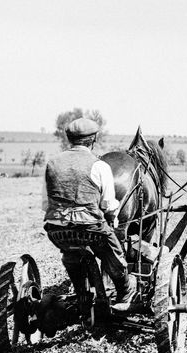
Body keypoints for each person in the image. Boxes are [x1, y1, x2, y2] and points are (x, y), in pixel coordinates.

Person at [42, 117, 136, 304]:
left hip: (56, 230)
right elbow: (108, 205)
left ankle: (82, 294)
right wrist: (112, 219)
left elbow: (46, 203)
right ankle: (125, 290)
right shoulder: (99, 166)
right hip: (91, 229)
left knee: (70, 253)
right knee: (114, 254)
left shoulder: (51, 164)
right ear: (93, 139)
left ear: (69, 139)